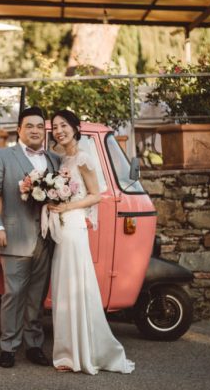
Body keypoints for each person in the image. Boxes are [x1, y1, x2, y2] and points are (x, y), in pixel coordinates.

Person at [46, 109, 135, 375]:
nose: (59, 130)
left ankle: (83, 353)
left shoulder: (83, 158)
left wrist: (68, 206)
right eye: (56, 127)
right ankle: (68, 353)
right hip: (62, 225)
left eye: (63, 125)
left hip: (73, 225)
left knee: (76, 285)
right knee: (63, 287)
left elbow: (97, 195)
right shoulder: (62, 158)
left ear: (75, 127)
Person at [0, 106, 61, 368]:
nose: (35, 130)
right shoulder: (2, 156)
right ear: (19, 130)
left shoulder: (54, 159)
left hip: (47, 239)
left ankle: (34, 345)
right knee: (14, 294)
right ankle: (8, 347)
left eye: (40, 126)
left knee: (37, 296)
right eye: (30, 126)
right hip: (14, 236)